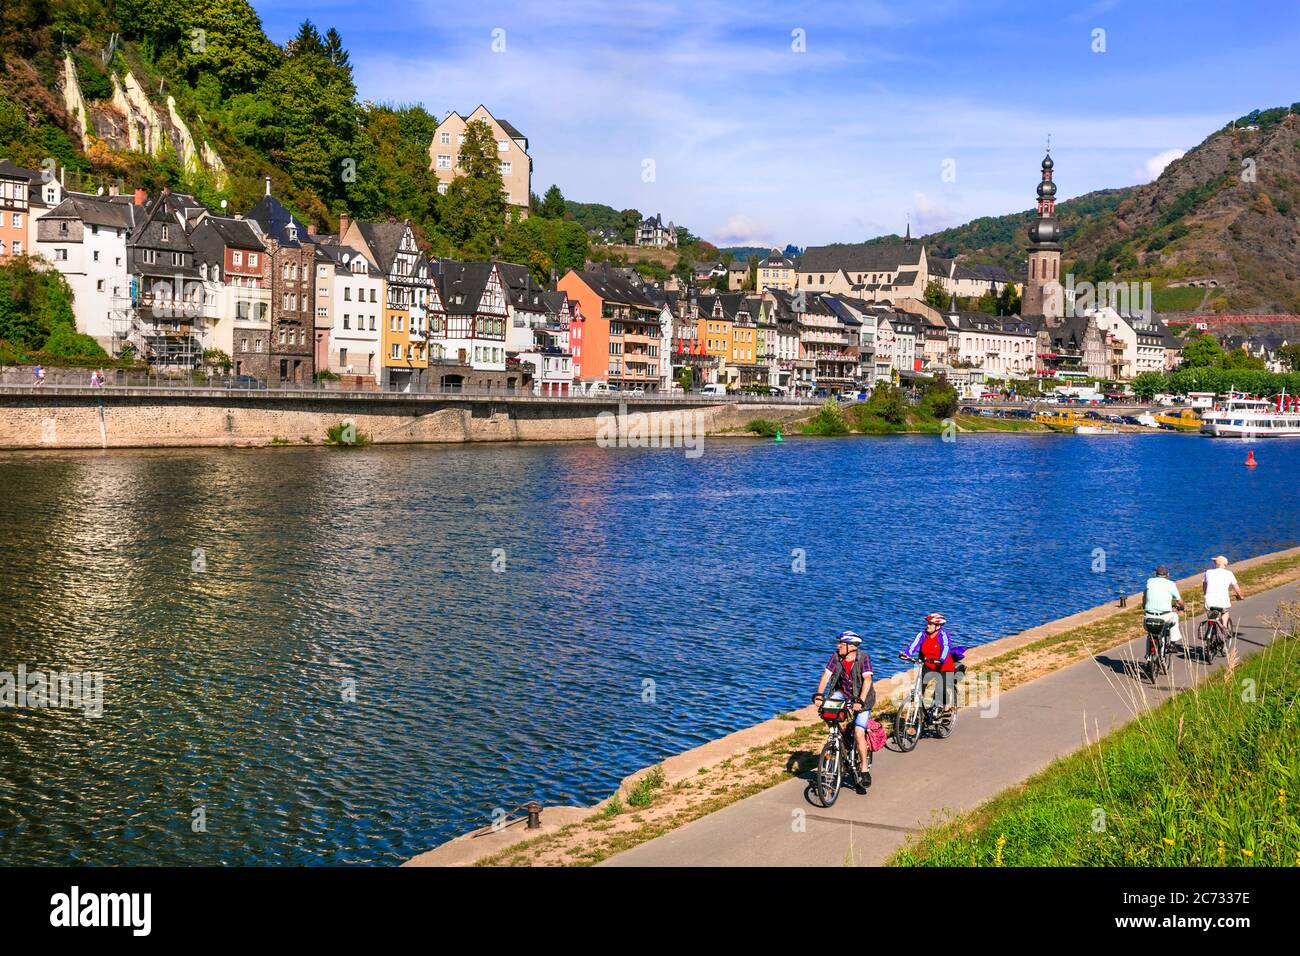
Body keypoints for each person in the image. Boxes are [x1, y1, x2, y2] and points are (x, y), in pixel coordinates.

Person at [812, 630, 875, 778]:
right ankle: (838, 739)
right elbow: (826, 675)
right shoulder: (835, 657)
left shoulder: (863, 658)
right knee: (827, 711)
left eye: (842, 643)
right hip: (843, 693)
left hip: (862, 698)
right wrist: (820, 695)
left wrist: (860, 701)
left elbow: (867, 680)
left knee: (859, 733)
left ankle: (864, 769)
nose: (839, 646)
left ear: (852, 647)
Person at [903, 613, 957, 715]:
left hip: (944, 665)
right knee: (919, 687)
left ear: (938, 626)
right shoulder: (923, 634)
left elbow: (946, 647)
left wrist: (941, 659)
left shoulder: (943, 635)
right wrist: (906, 654)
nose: (928, 625)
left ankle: (946, 708)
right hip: (928, 664)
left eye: (931, 624)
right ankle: (919, 713)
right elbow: (914, 644)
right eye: (928, 623)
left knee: (942, 687)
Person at [1143, 565, 1185, 650]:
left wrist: (1144, 606)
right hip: (1164, 616)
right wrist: (1182, 607)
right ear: (1167, 575)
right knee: (1175, 617)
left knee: (1150, 633)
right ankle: (1172, 644)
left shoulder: (1150, 581)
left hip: (1149, 616)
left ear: (1156, 574)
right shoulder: (1171, 584)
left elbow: (1145, 595)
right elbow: (1179, 601)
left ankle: (1148, 656)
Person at [1202, 555, 1243, 635]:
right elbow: (1237, 589)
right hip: (1222, 600)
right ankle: (1224, 626)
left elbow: (1204, 585)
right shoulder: (1229, 573)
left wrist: (1205, 594)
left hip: (1209, 600)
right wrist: (1241, 596)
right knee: (1225, 611)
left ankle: (1211, 629)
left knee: (1210, 613)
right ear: (1225, 564)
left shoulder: (1208, 572)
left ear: (1217, 564)